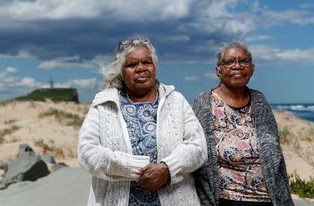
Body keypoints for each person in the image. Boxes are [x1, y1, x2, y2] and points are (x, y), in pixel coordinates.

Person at [79, 36, 207, 206]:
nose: (141, 68)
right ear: (121, 72)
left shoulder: (176, 100)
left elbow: (198, 147)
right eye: (132, 64)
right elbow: (87, 153)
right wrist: (134, 168)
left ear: (154, 67)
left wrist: (167, 169)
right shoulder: (103, 104)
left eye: (147, 62)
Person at [193, 41, 294, 206]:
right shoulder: (204, 102)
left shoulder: (259, 100)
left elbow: (276, 156)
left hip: (268, 198)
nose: (237, 66)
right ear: (218, 70)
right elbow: (195, 151)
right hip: (225, 199)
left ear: (252, 69)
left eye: (244, 61)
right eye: (230, 62)